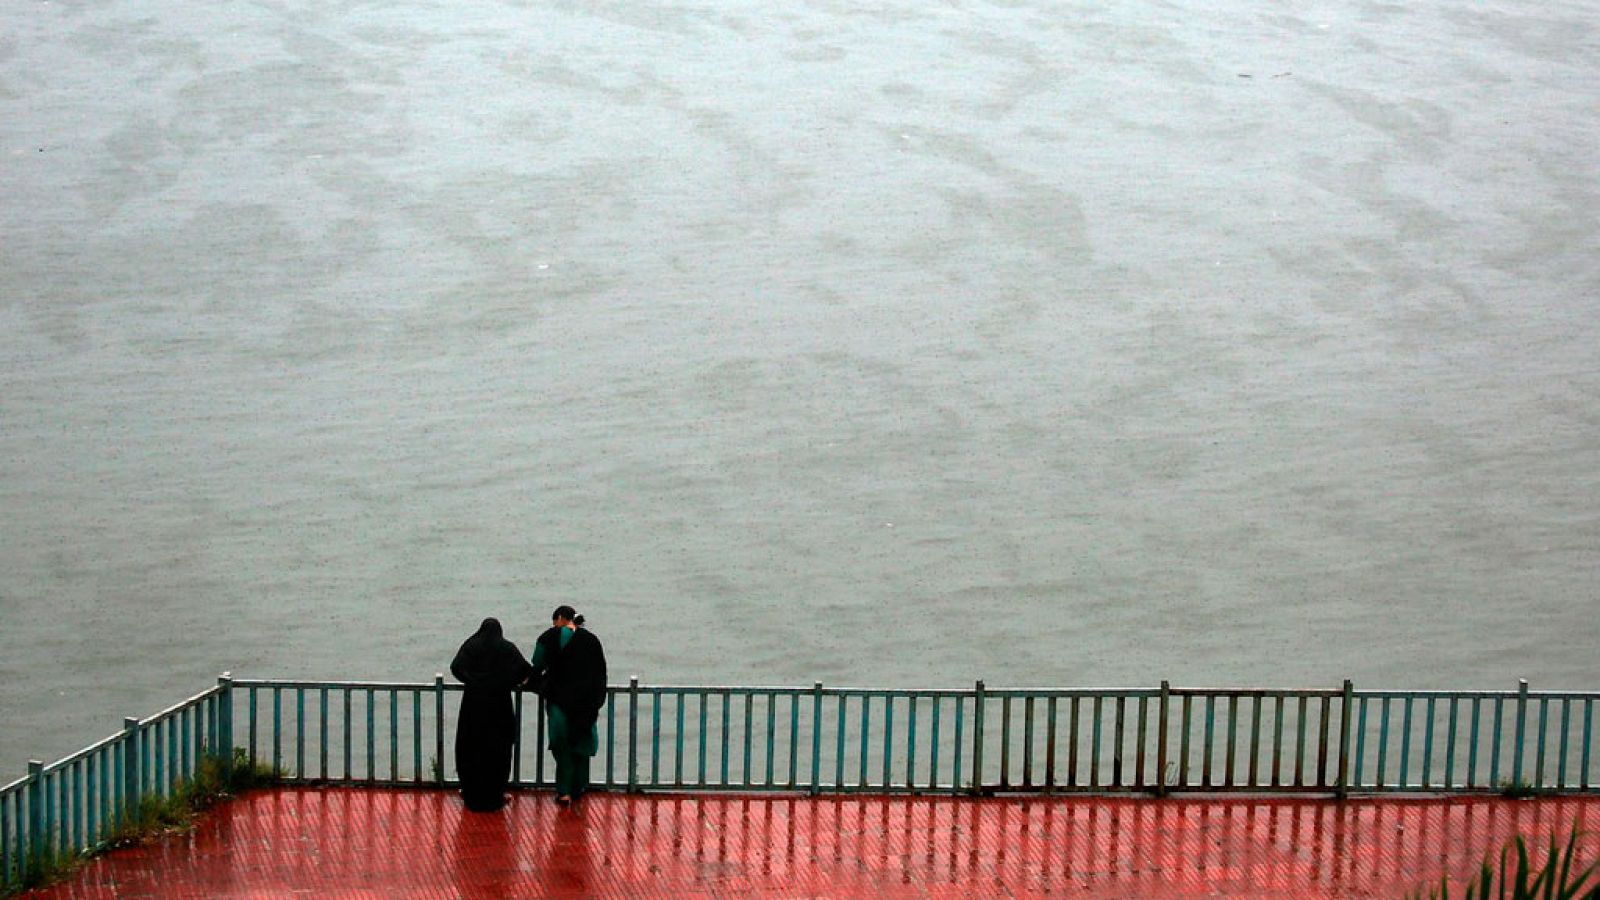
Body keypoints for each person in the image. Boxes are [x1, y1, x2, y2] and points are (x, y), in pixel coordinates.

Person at [450, 617, 533, 812]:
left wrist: (473, 681)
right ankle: (495, 796)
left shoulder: (471, 646)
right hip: (499, 706)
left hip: (473, 706)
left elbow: (456, 667)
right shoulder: (506, 648)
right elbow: (524, 670)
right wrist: (504, 682)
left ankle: (471, 794)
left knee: (471, 748)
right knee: (498, 751)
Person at [529, 605, 607, 805]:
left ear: (560, 618)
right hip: (586, 703)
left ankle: (564, 792)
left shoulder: (548, 637)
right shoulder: (592, 640)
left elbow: (537, 663)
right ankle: (579, 787)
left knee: (561, 744)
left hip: (559, 700)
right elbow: (600, 671)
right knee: (581, 743)